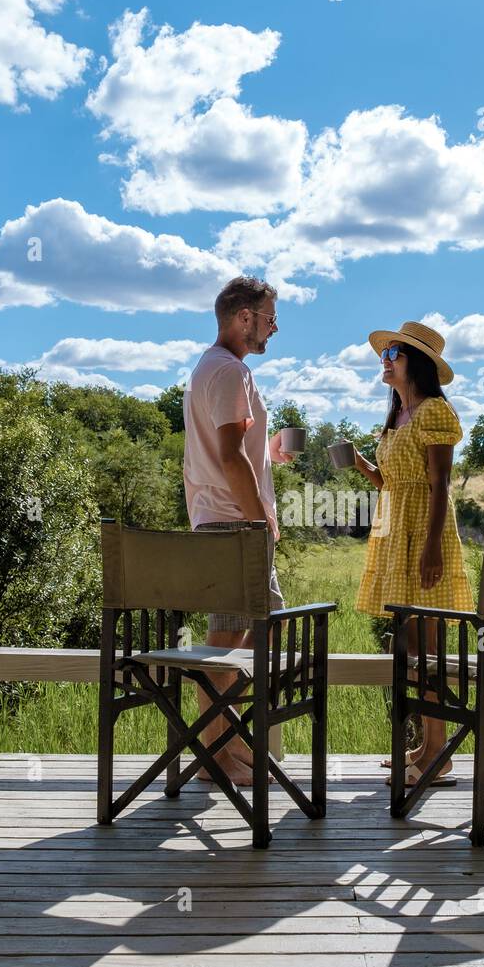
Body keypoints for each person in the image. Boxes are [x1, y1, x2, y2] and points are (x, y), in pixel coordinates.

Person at [352, 320, 474, 783]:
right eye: (384, 355)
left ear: (417, 364)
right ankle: (427, 746)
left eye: (393, 355)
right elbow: (394, 485)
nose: (384, 362)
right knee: (411, 650)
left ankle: (436, 757)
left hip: (426, 535)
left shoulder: (434, 413)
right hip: (396, 533)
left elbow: (438, 484)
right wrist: (363, 465)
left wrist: (432, 549)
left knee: (428, 651)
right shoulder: (397, 418)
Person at [183, 276, 293, 786]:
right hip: (233, 525)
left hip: (230, 520)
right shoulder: (228, 371)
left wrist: (268, 454)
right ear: (244, 317)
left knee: (265, 625)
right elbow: (227, 457)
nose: (274, 327)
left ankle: (225, 743)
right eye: (270, 317)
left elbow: (234, 451)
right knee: (225, 642)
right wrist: (258, 522)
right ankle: (217, 756)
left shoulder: (216, 368)